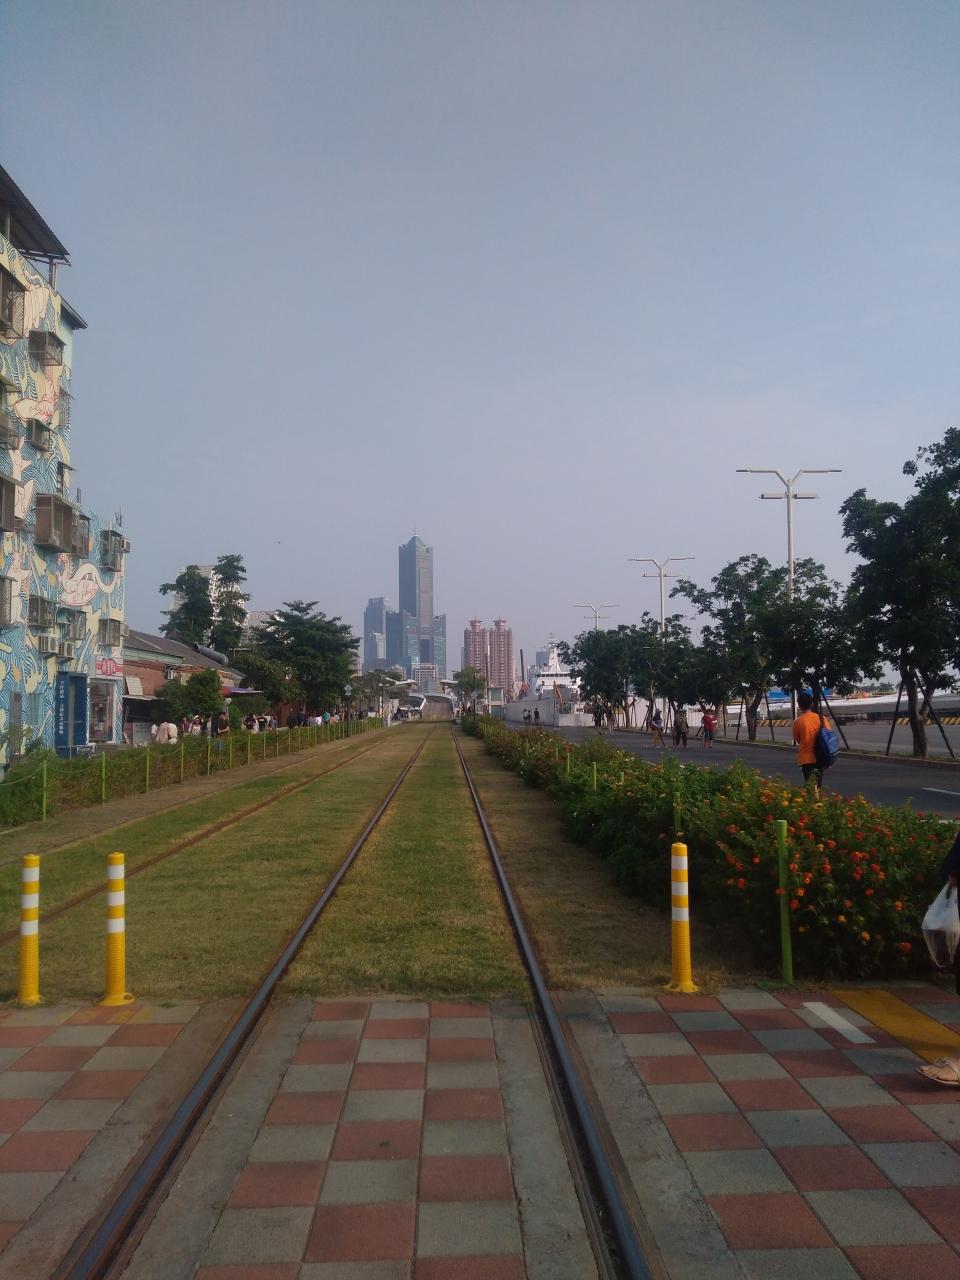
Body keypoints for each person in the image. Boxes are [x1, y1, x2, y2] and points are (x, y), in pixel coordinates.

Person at [792, 690, 825, 793]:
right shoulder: (822, 718)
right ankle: (818, 800)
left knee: (810, 785)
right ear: (811, 704)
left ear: (799, 705)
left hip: (806, 758)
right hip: (821, 757)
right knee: (818, 783)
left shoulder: (798, 722)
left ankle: (814, 801)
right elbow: (828, 735)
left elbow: (798, 739)